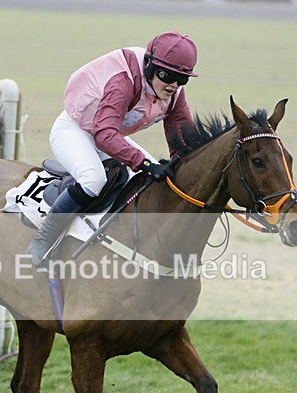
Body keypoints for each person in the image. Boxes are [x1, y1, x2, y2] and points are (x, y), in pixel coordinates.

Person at [26, 31, 199, 267]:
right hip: (74, 131)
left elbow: (184, 138)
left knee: (154, 183)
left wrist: (184, 166)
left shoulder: (174, 92)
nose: (174, 85)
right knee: (93, 179)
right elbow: (104, 134)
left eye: (182, 78)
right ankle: (42, 241)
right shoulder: (123, 82)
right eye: (167, 75)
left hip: (108, 135)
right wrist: (145, 163)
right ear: (148, 65)